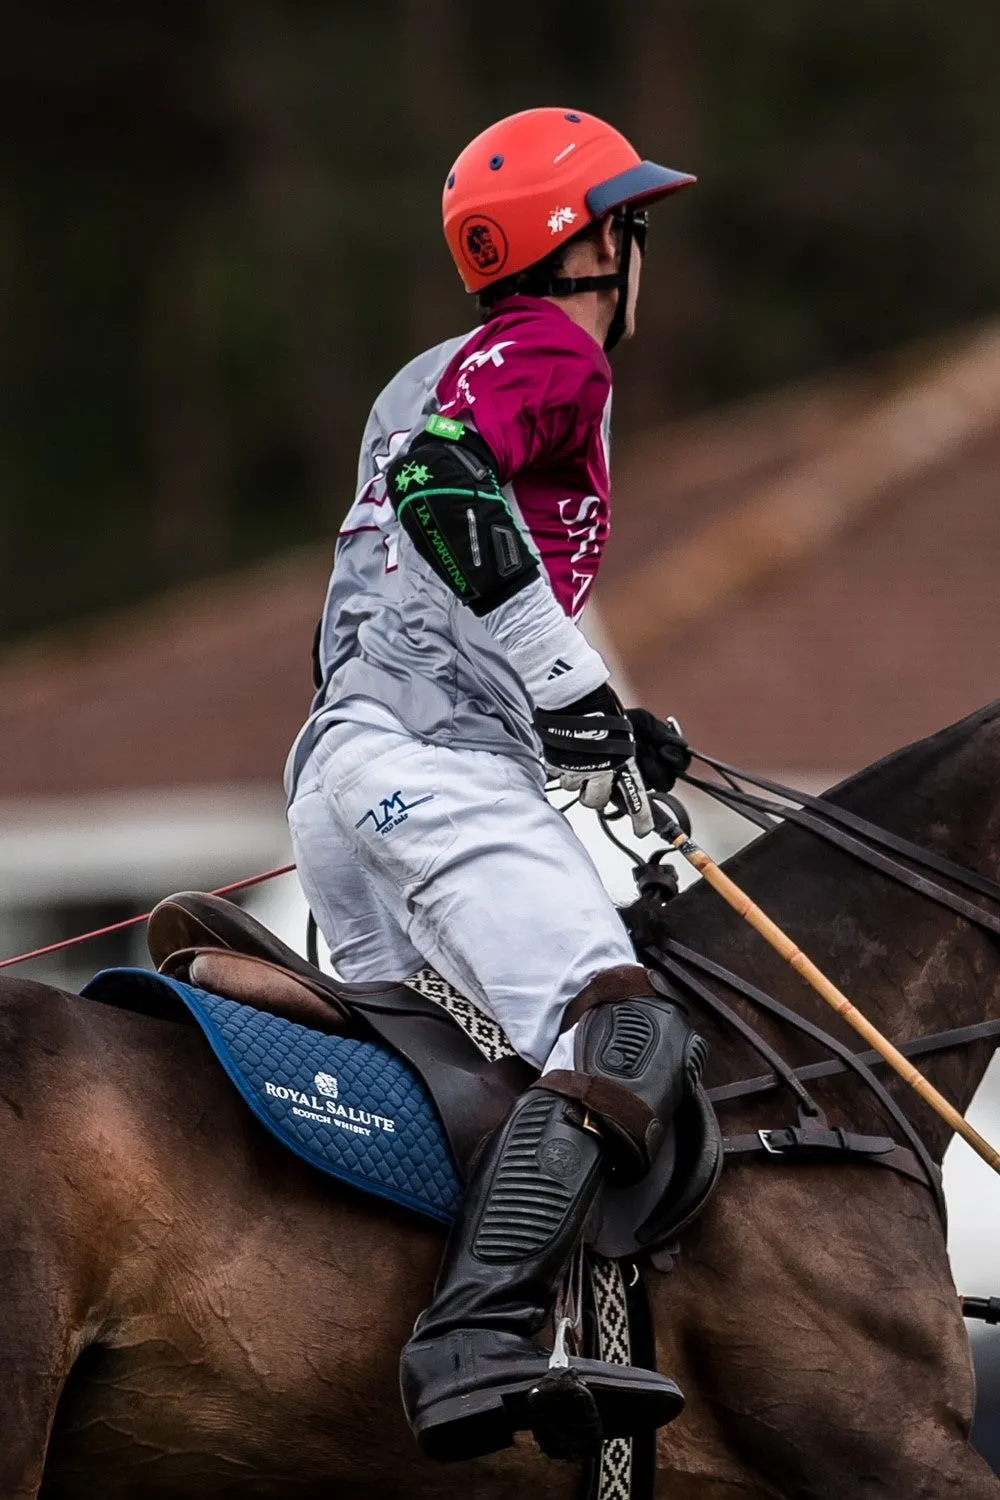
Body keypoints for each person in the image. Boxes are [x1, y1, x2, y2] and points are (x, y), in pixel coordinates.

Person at [285, 106, 699, 1463]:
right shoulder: (552, 354)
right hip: (435, 769)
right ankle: (469, 1343)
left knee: (471, 1083)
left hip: (343, 771)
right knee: (621, 1040)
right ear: (585, 249)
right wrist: (569, 685)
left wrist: (594, 722)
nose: (642, 258)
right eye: (631, 228)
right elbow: (446, 485)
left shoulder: (426, 368)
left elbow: (387, 587)